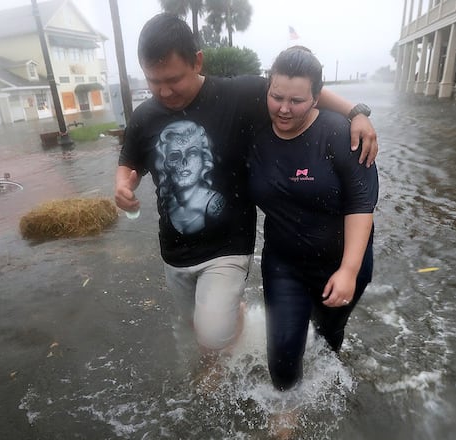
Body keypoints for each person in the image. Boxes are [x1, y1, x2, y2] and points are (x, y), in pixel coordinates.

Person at [114, 14, 378, 362]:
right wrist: (123, 184)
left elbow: (300, 91)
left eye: (173, 80)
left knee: (213, 331)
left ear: (197, 61)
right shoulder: (145, 116)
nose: (164, 91)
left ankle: (229, 326)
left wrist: (356, 112)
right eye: (153, 81)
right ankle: (212, 356)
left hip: (228, 243)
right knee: (191, 324)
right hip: (174, 250)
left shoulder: (238, 94)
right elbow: (130, 159)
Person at [248, 46, 379, 391]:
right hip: (284, 262)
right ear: (268, 89)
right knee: (283, 354)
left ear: (317, 98)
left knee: (328, 336)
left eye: (297, 101)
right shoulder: (256, 129)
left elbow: (361, 204)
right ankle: (285, 415)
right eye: (277, 97)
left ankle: (330, 379)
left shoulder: (342, 134)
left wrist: (348, 271)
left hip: (343, 261)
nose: (284, 109)